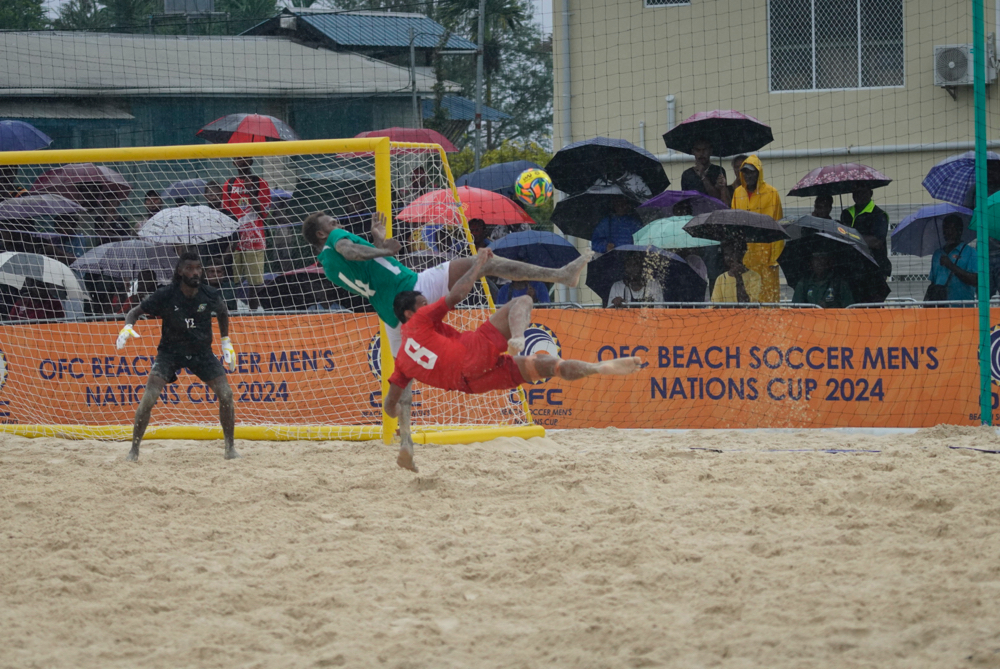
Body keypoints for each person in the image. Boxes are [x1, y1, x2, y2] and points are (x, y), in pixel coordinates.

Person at [384, 248, 642, 471]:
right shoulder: (419, 319)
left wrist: (404, 435)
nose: (428, 303)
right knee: (523, 299)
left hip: (471, 385)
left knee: (549, 366)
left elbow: (392, 404)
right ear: (409, 313)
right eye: (423, 302)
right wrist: (478, 265)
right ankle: (519, 337)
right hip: (472, 352)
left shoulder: (403, 360)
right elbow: (457, 295)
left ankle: (597, 368)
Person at [116, 251, 239, 461]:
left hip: (201, 353)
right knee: (149, 398)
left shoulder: (210, 294)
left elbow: (223, 312)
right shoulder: (166, 294)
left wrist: (225, 341)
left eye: (199, 268)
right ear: (180, 271)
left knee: (226, 394)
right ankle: (133, 450)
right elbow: (134, 312)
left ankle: (230, 448)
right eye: (190, 268)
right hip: (170, 353)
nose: (196, 272)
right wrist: (127, 326)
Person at [731, 155, 784, 303]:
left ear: (759, 172)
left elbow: (778, 227)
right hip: (746, 256)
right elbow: (734, 227)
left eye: (752, 172)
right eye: (745, 172)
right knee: (747, 298)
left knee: (768, 298)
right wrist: (736, 257)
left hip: (767, 258)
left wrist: (775, 258)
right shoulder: (738, 193)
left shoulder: (772, 193)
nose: (748, 175)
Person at [223, 157, 271, 312]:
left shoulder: (260, 182)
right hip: (235, 239)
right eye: (237, 158)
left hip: (255, 239)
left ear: (251, 161)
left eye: (243, 158)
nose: (240, 161)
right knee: (233, 279)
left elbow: (264, 213)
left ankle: (253, 312)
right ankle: (233, 310)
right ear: (233, 162)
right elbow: (226, 213)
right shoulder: (229, 184)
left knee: (254, 283)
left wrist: (251, 193)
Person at [840, 186, 891, 303]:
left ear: (871, 193)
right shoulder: (846, 214)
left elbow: (876, 242)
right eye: (856, 192)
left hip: (873, 273)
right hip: (851, 272)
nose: (859, 195)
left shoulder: (879, 215)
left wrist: (850, 236)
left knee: (872, 313)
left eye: (863, 192)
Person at [927, 214, 977, 303]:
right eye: (945, 228)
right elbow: (933, 281)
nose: (948, 232)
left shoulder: (970, 252)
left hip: (963, 307)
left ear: (960, 231)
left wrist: (950, 265)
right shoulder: (937, 254)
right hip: (940, 308)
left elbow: (975, 280)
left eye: (952, 229)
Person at [711, 236, 762, 304]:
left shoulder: (754, 276)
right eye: (726, 254)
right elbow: (715, 306)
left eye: (732, 254)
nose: (729, 258)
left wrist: (738, 277)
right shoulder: (721, 279)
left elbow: (748, 304)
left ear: (741, 254)